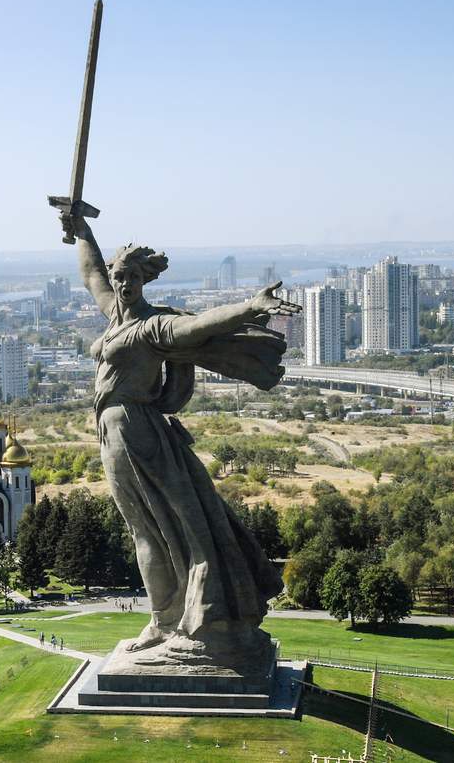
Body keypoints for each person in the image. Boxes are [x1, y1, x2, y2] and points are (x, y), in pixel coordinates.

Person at [61, 213, 292, 667]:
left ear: (145, 281)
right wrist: (81, 228)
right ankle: (164, 620)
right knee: (146, 529)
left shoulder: (152, 327)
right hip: (114, 431)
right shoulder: (114, 314)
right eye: (120, 275)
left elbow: (200, 326)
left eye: (133, 278)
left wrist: (251, 306)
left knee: (167, 528)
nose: (124, 284)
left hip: (134, 431)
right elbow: (90, 274)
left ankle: (183, 619)